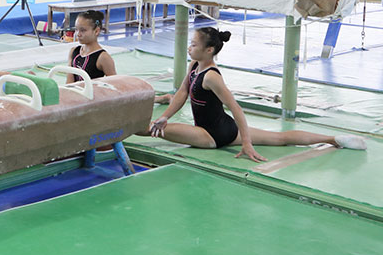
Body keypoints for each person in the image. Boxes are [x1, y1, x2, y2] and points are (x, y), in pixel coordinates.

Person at [146, 27, 366, 161]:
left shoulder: (212, 77)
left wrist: (247, 143)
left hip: (211, 135)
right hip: (226, 128)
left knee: (149, 129)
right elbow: (183, 91)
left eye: (194, 45)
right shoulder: (195, 64)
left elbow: (236, 109)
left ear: (209, 50)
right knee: (280, 139)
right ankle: (335, 139)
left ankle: (112, 132)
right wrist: (165, 115)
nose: (189, 48)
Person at [66, 10, 116, 82]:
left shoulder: (103, 57)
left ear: (96, 31)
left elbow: (115, 84)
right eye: (76, 29)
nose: (78, 34)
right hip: (76, 92)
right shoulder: (73, 51)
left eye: (83, 30)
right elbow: (69, 83)